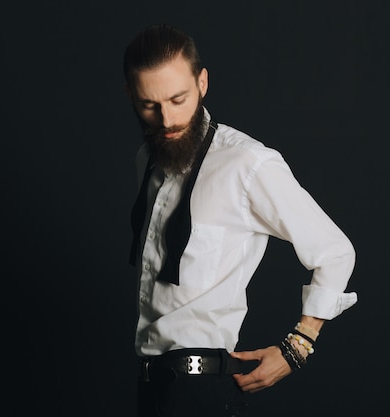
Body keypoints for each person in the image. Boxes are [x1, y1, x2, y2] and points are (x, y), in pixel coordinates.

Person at [123, 23, 358, 417]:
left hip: (203, 391)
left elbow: (336, 252)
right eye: (150, 105)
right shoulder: (147, 162)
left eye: (178, 99)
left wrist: (298, 345)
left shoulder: (245, 163)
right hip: (150, 389)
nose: (166, 121)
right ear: (131, 95)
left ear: (202, 83)